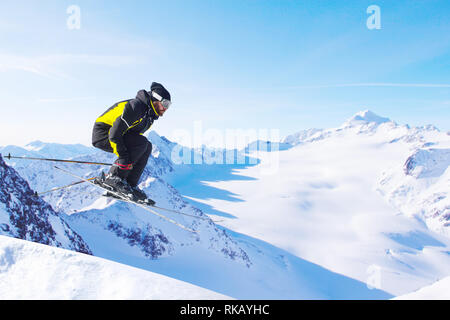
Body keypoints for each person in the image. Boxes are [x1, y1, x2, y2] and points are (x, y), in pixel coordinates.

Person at [92, 82, 171, 203]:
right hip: (103, 132)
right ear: (156, 99)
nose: (166, 108)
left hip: (118, 135)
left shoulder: (149, 116)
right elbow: (114, 133)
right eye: (165, 103)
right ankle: (114, 178)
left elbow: (133, 139)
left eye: (169, 105)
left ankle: (129, 184)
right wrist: (123, 157)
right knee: (141, 143)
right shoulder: (136, 107)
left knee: (147, 146)